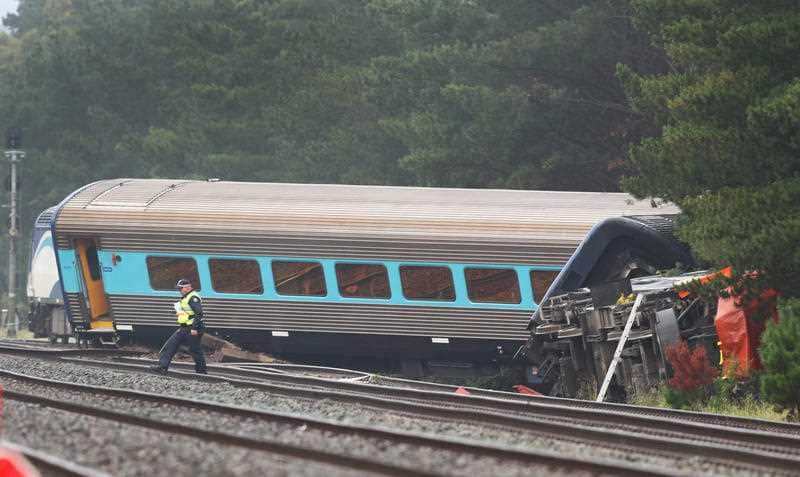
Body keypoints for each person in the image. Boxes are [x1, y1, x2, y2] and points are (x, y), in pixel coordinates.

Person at [150, 278, 207, 375]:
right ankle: (162, 367)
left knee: (195, 350)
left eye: (180, 288)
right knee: (170, 345)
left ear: (187, 287)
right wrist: (177, 312)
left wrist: (194, 328)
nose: (179, 291)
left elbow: (199, 313)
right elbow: (189, 312)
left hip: (193, 328)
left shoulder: (193, 297)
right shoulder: (186, 297)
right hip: (185, 328)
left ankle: (202, 372)